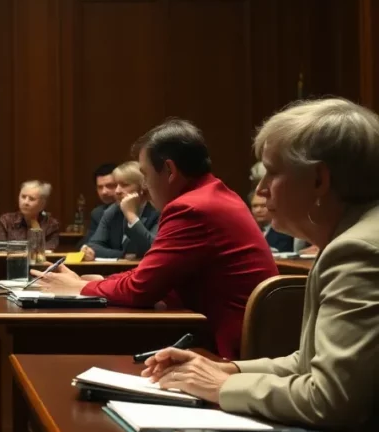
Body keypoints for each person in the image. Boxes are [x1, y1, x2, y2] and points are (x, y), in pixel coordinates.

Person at [142, 98, 379, 432]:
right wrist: (228, 371)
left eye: (272, 171)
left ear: (319, 179)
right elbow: (308, 362)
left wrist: (219, 388)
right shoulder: (350, 236)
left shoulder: (356, 251)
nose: (262, 188)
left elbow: (329, 398)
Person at [36, 119, 278, 359]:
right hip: (235, 340)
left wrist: (81, 288)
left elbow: (141, 289)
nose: (144, 185)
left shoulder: (192, 208)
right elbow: (152, 274)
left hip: (230, 353)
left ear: (170, 171)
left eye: (145, 174)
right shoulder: (213, 195)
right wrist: (102, 281)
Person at [81, 161, 159, 260]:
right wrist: (123, 255)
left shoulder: (157, 212)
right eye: (116, 185)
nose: (117, 191)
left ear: (142, 187)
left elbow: (154, 248)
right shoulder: (113, 210)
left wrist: (131, 216)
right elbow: (94, 246)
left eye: (124, 185)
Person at [0, 180, 61, 250]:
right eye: (23, 197)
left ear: (42, 204)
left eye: (31, 199)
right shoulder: (6, 220)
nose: (25, 202)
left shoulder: (51, 225)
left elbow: (49, 251)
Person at [79, 163, 117, 247]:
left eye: (110, 186)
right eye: (100, 187)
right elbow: (88, 245)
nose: (104, 192)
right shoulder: (98, 213)